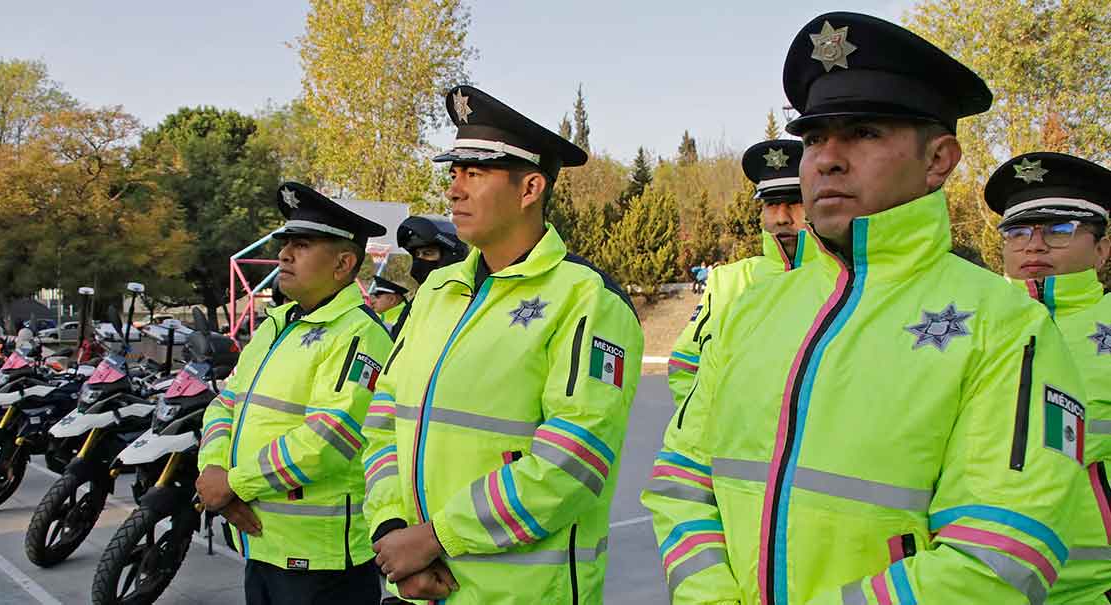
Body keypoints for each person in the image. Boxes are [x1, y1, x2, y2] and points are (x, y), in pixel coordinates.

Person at [642, 12, 1088, 604]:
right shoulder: (752, 309)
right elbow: (681, 479)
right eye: (814, 138)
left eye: (864, 133)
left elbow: (1000, 554)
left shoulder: (1006, 327)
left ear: (939, 160)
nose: (826, 158)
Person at [362, 85, 643, 604]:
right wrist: (391, 535)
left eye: (475, 173)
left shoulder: (586, 299)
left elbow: (571, 463)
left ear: (530, 187)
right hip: (413, 586)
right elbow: (382, 420)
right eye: (453, 173)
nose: (454, 190)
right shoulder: (438, 295)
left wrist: (434, 539)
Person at [194, 181, 394, 605]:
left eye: (301, 245)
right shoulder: (276, 325)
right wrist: (214, 469)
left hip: (320, 563)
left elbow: (327, 439)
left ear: (343, 264)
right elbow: (224, 404)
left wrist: (233, 485)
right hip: (260, 544)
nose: (284, 255)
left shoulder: (359, 334)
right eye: (286, 244)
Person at [986, 151, 1111, 603]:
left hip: (1093, 587)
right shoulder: (965, 324)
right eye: (1018, 231)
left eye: (1059, 230)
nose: (1034, 245)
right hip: (974, 582)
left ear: (1102, 248)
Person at [666, 139, 817, 406]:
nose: (782, 217)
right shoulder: (728, 282)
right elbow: (684, 366)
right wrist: (709, 431)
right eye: (771, 204)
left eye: (795, 202)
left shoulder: (845, 281)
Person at [391, 215, 470, 340]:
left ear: (450, 256)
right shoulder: (419, 300)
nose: (420, 259)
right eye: (417, 254)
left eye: (428, 253)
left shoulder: (466, 301)